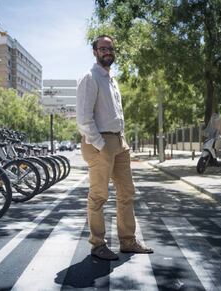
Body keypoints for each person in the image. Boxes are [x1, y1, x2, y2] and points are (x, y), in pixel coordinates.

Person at [76, 35, 153, 260]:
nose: (107, 51)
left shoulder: (112, 79)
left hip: (120, 141)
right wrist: (101, 145)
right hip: (100, 142)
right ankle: (98, 244)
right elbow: (83, 118)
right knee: (99, 195)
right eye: (103, 48)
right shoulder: (90, 78)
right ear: (95, 52)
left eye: (110, 48)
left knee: (127, 192)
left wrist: (121, 141)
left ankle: (127, 241)